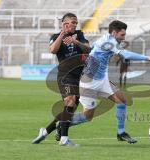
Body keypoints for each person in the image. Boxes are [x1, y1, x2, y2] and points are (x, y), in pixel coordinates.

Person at [55, 20, 150, 145]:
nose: (124, 38)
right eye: (122, 35)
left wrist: (77, 42)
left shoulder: (105, 38)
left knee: (122, 101)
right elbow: (125, 55)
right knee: (87, 117)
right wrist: (147, 58)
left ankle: (121, 133)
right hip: (89, 83)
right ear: (114, 33)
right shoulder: (109, 42)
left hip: (102, 79)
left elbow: (92, 49)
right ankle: (62, 124)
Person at [32, 12, 90, 146]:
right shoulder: (55, 36)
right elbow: (53, 50)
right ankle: (64, 139)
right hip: (65, 75)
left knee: (69, 110)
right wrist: (62, 35)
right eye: (73, 22)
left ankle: (45, 132)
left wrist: (75, 41)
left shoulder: (79, 35)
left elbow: (88, 49)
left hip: (78, 77)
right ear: (65, 24)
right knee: (70, 102)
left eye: (76, 22)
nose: (75, 25)